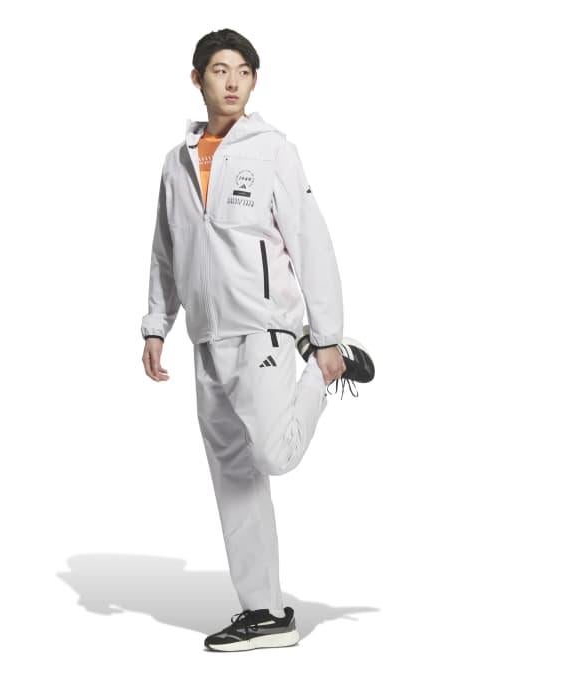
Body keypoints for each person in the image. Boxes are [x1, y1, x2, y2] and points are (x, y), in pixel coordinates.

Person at [140, 28, 374, 652]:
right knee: (234, 477)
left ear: (253, 80)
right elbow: (166, 250)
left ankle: (327, 370)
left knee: (274, 456)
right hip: (206, 337)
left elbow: (310, 241)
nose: (234, 81)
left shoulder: (273, 151)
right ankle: (266, 613)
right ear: (198, 78)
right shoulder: (176, 162)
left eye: (244, 71)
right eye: (221, 70)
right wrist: (157, 324)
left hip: (265, 330)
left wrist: (326, 336)